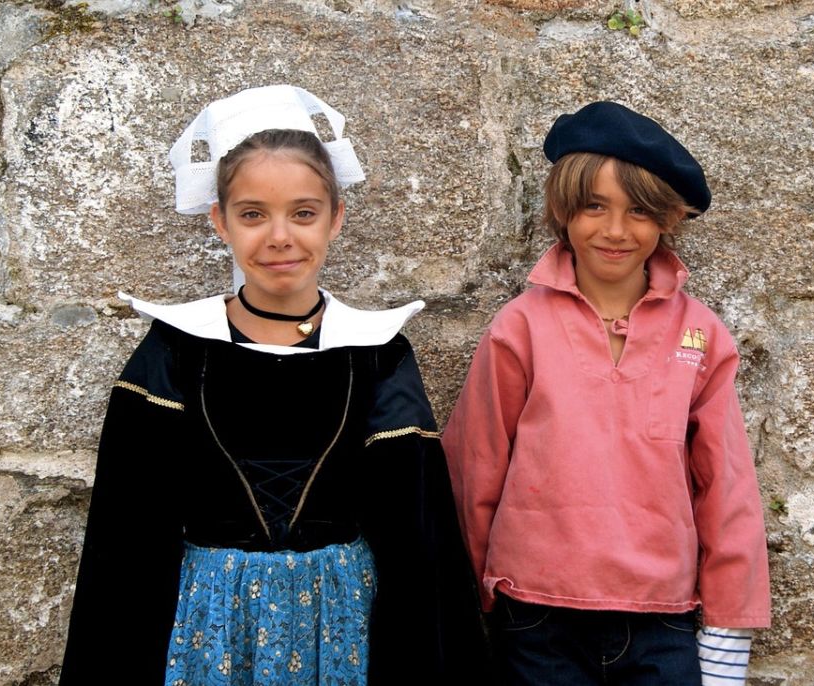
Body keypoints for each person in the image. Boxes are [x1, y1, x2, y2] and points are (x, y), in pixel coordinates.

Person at [60, 85, 488, 685]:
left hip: (340, 621)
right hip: (210, 623)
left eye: (304, 212)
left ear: (336, 219)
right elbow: (126, 535)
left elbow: (417, 535)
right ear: (221, 222)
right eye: (253, 214)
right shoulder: (177, 350)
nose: (279, 236)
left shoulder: (375, 353)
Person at [442, 101, 771, 685]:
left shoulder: (701, 336)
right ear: (565, 210)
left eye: (639, 211)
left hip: (661, 621)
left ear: (667, 219)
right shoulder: (520, 328)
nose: (616, 231)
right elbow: (474, 469)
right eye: (594, 206)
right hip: (536, 616)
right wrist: (462, 610)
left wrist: (727, 629)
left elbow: (727, 487)